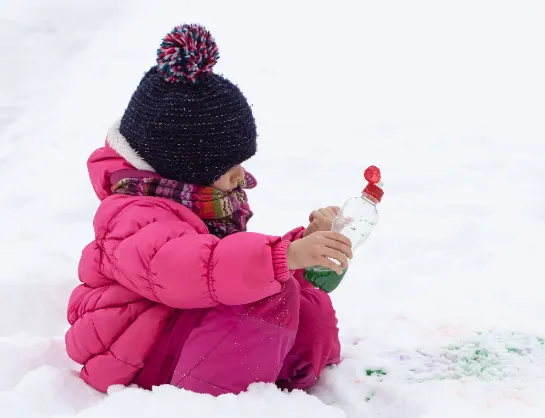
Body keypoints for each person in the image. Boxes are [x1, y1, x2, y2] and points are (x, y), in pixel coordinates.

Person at [65, 23, 352, 396]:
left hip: (181, 330)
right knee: (266, 295)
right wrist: (282, 256)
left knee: (300, 297)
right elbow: (189, 269)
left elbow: (224, 269)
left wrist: (303, 249)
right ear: (183, 166)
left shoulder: (201, 199)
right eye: (225, 167)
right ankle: (210, 404)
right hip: (135, 351)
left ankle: (282, 381)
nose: (240, 176)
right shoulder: (131, 214)